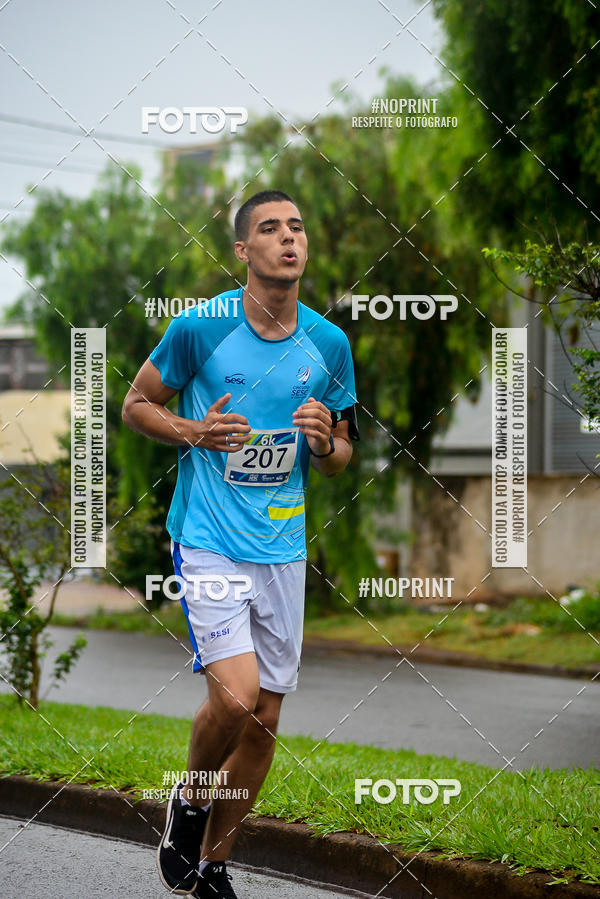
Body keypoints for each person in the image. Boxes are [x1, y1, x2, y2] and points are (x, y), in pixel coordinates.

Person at [122, 189, 359, 897]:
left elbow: (343, 448)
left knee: (267, 719)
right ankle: (188, 804)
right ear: (242, 252)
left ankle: (215, 866)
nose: (288, 237)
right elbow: (136, 404)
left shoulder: (329, 344)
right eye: (269, 228)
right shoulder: (200, 328)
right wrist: (193, 431)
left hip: (283, 547)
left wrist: (326, 444)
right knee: (237, 698)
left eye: (296, 225)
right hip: (210, 538)